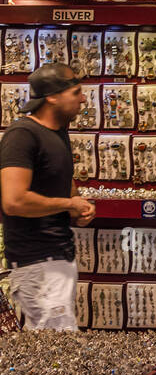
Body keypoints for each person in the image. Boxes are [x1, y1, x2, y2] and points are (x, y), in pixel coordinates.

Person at [0, 65, 95, 329]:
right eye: (76, 92)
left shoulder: (58, 133)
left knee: (53, 344)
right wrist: (69, 204)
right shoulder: (22, 135)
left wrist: (79, 208)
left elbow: (61, 181)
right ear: (52, 97)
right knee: (60, 348)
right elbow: (14, 200)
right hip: (38, 262)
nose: (84, 99)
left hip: (56, 257)